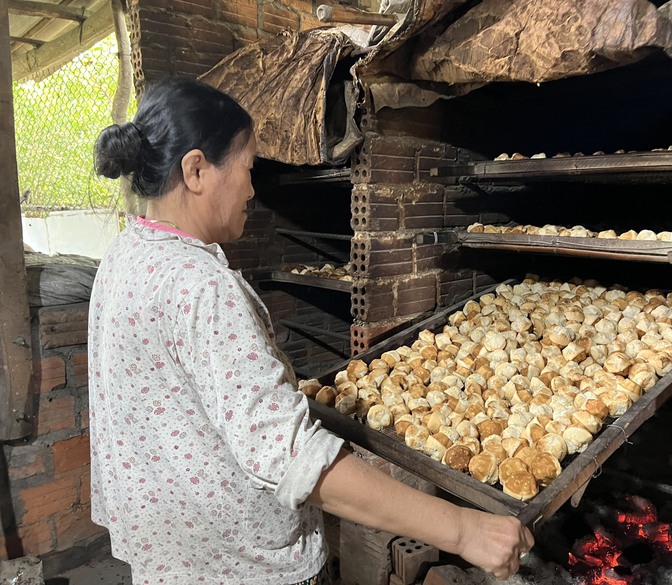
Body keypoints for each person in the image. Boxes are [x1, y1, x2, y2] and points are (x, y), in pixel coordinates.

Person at [89, 77, 534, 585]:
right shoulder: (201, 285)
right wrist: (463, 531)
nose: (253, 190)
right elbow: (290, 457)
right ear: (195, 170)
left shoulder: (125, 255)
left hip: (169, 554)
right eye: (248, 169)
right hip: (239, 566)